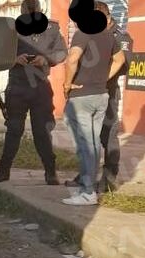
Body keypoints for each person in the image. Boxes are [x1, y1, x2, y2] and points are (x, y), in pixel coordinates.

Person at [0, 0, 67, 186]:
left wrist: (45, 59)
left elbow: (62, 52)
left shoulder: (51, 28)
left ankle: (50, 173)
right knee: (14, 130)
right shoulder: (11, 29)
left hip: (40, 87)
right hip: (17, 87)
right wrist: (15, 59)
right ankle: (3, 171)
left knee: (42, 132)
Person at [61, 1, 126, 206]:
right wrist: (104, 79)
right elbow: (120, 59)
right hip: (101, 95)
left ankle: (88, 192)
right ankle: (88, 188)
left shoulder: (83, 33)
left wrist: (67, 84)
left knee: (86, 145)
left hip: (82, 97)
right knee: (93, 143)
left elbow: (72, 59)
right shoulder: (109, 36)